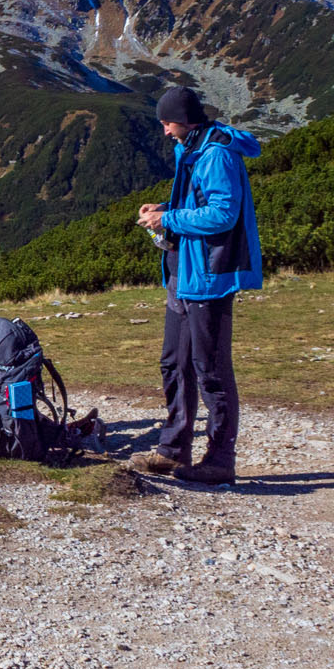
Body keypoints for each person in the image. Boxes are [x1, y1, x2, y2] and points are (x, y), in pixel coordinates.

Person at [132, 85, 263, 485]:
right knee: (175, 363)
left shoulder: (216, 154)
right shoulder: (192, 147)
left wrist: (168, 222)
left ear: (184, 120)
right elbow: (197, 204)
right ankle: (174, 450)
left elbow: (223, 214)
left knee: (211, 369)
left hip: (209, 275)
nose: (165, 132)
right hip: (182, 273)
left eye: (167, 123)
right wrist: (165, 210)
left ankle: (221, 458)